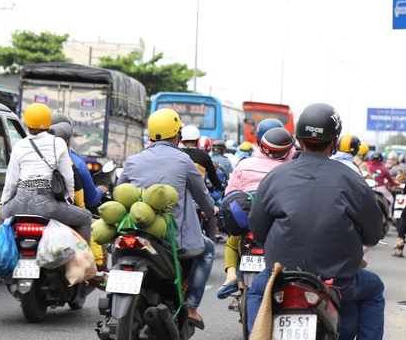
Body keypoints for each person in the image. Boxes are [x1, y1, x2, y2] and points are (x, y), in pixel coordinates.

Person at [246, 103, 385, 340]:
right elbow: (373, 234)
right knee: (374, 290)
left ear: (298, 140)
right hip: (338, 281)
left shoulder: (276, 176)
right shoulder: (353, 179)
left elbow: (258, 230)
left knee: (255, 290)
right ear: (334, 143)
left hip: (282, 277)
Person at [117, 108, 217, 328]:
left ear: (151, 135)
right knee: (208, 251)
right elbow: (202, 196)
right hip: (173, 239)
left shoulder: (133, 160)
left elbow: (119, 192)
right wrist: (211, 211)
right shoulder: (184, 161)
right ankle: (190, 307)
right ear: (177, 134)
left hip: (137, 230)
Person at [216, 123, 294, 299]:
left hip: (249, 217)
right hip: (278, 219)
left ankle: (232, 277)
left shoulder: (244, 164)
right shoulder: (290, 168)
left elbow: (230, 195)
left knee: (233, 242)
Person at [0, 104, 93, 243]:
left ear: (27, 124)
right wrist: (69, 199)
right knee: (86, 218)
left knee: (1, 216)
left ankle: (4, 251)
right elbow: (68, 177)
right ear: (49, 123)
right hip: (48, 205)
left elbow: (11, 181)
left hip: (19, 202)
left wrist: (4, 202)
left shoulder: (19, 145)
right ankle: (81, 259)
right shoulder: (59, 143)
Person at [49, 117, 107, 272]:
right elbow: (84, 198)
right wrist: (100, 192)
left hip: (25, 208)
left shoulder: (28, 151)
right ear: (68, 142)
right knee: (87, 218)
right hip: (58, 210)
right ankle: (86, 261)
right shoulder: (73, 162)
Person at [180, 125, 224, 243]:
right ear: (197, 140)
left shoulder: (177, 153)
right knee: (212, 212)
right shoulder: (203, 155)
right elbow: (214, 177)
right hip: (198, 197)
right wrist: (220, 187)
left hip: (178, 197)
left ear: (181, 139)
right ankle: (211, 242)